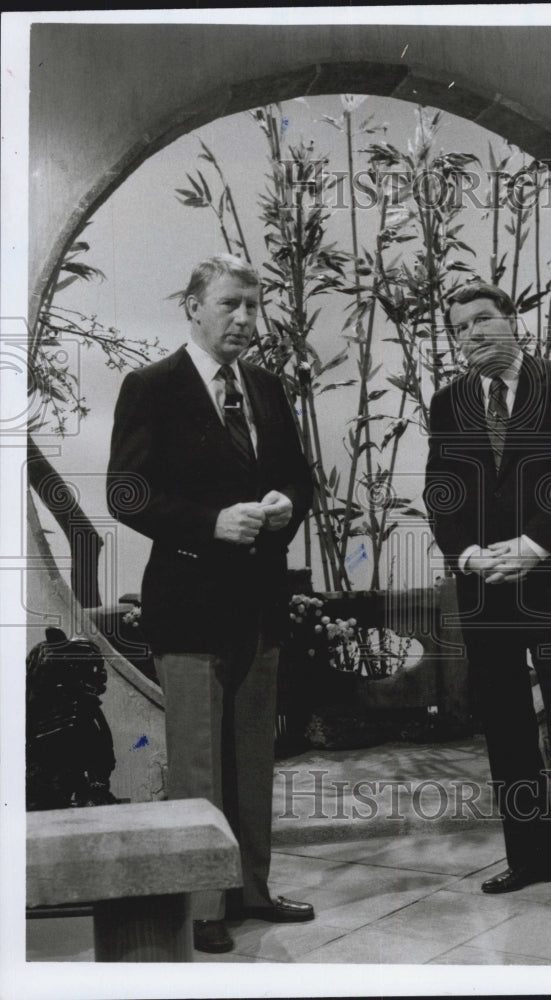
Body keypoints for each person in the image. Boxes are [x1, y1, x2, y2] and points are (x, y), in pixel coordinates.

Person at [107, 254, 315, 953]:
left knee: (254, 758)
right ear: (192, 307)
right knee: (198, 763)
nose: (246, 320)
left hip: (258, 602)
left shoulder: (265, 387)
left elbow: (297, 476)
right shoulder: (152, 387)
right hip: (190, 602)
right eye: (231, 305)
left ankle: (252, 889)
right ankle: (203, 906)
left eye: (253, 307)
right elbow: (126, 493)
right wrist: (210, 523)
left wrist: (288, 503)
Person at [423, 281, 551, 918]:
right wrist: (471, 556)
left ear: (513, 321)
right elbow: (441, 490)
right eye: (459, 328)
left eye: (483, 321)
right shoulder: (449, 402)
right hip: (485, 584)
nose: (471, 335)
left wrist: (534, 543)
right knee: (504, 723)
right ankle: (531, 858)